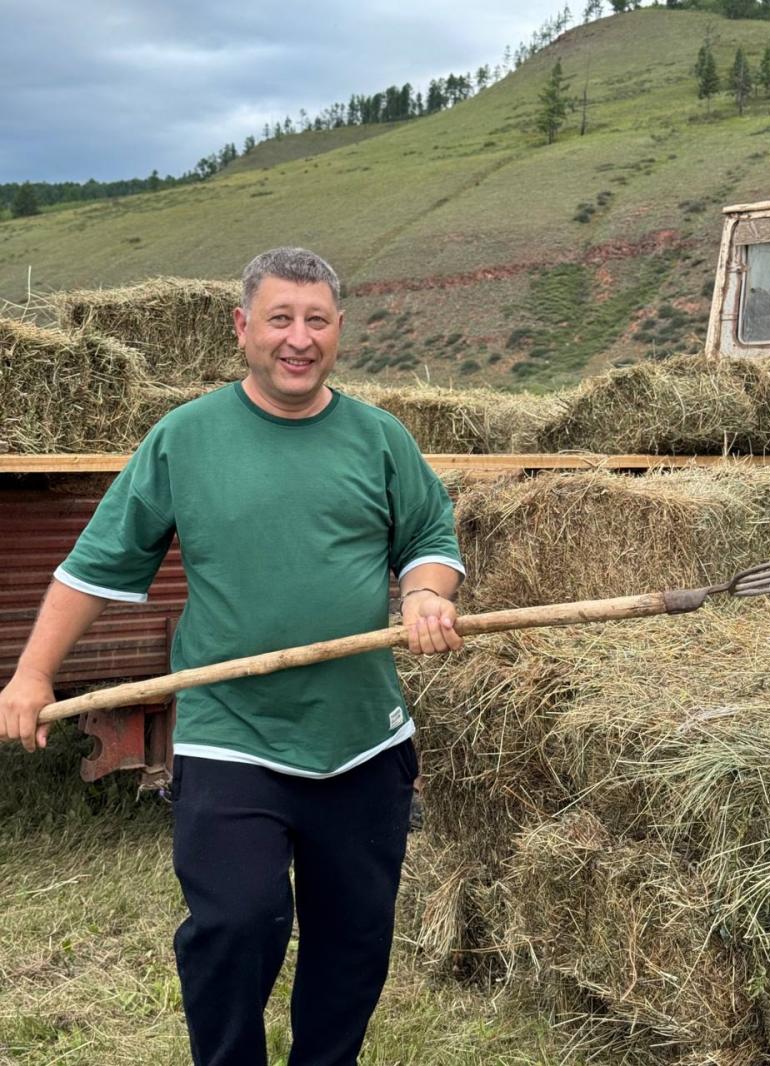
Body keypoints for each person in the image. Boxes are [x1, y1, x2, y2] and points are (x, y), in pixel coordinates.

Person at [0, 247, 465, 1066]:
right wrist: (33, 673)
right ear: (242, 327)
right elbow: (94, 567)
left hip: (362, 736)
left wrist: (427, 593)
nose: (299, 338)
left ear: (339, 329)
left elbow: (429, 536)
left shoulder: (379, 438)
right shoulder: (186, 438)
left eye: (316, 320)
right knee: (237, 922)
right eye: (280, 319)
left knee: (355, 937)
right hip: (232, 735)